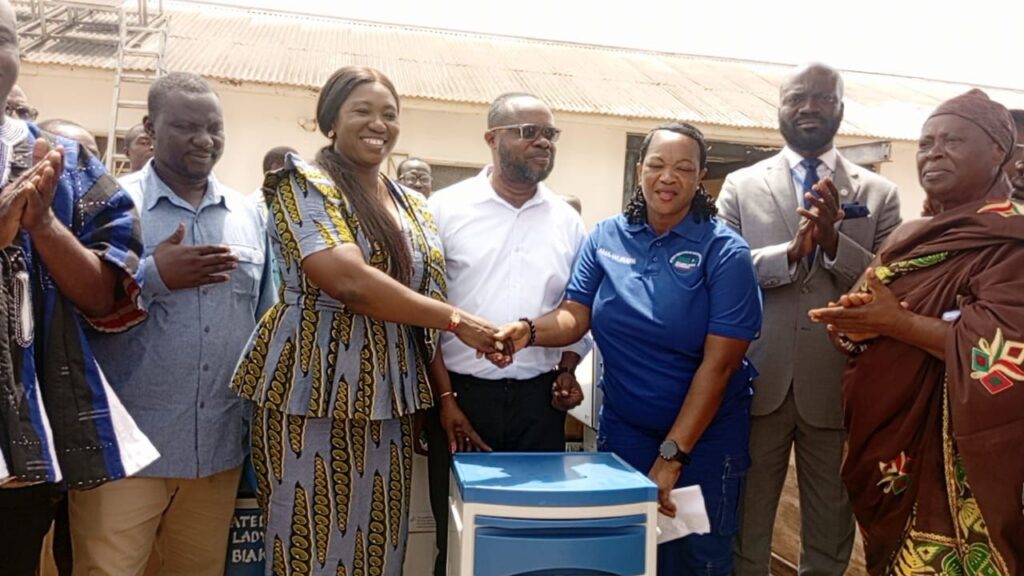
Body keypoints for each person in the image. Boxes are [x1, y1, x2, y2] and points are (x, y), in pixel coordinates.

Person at [231, 65, 501, 576]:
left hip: (388, 401)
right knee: (306, 548)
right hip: (309, 391)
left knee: (377, 548)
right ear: (330, 121)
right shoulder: (301, 185)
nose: (379, 124)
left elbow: (422, 310)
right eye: (362, 111)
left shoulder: (412, 205)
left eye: (389, 114)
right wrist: (460, 321)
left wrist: (444, 396)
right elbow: (348, 282)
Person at [494, 121, 762, 575]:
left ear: (700, 176)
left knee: (695, 557)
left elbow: (719, 367)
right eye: (656, 165)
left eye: (683, 168)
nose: (667, 177)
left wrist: (672, 457)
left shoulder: (725, 253)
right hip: (625, 432)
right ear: (640, 170)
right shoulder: (606, 237)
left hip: (703, 442)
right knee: (625, 553)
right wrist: (527, 331)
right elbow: (575, 314)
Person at [809, 89, 1024, 575]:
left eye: (953, 141)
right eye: (926, 143)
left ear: (998, 151)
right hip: (889, 448)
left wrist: (898, 323)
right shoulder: (909, 235)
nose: (934, 153)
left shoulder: (1011, 240)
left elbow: (1001, 355)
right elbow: (863, 312)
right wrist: (852, 324)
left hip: (959, 459)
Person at [69, 72, 276, 576]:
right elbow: (72, 311)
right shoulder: (109, 205)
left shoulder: (248, 215)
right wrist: (154, 275)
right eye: (186, 126)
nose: (204, 140)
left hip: (215, 451)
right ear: (151, 127)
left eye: (214, 127)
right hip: (125, 452)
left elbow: (264, 325)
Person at [716, 62, 902, 576]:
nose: (810, 108)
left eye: (823, 98)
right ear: (779, 107)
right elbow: (724, 273)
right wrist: (791, 253)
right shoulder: (740, 185)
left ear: (841, 107)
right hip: (757, 380)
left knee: (830, 528)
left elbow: (891, 284)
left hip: (838, 384)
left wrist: (834, 244)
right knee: (747, 523)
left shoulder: (878, 193)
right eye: (797, 97)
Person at [0, 1, 157, 573]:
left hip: (18, 448)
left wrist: (42, 224)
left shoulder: (67, 166)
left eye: (3, 39)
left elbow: (104, 298)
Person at [423, 92, 590, 575]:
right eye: (528, 132)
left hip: (540, 406)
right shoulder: (444, 209)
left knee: (532, 543)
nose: (543, 142)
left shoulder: (567, 220)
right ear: (491, 138)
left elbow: (576, 308)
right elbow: (424, 315)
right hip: (461, 403)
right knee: (458, 541)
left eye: (550, 134)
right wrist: (445, 398)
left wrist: (567, 368)